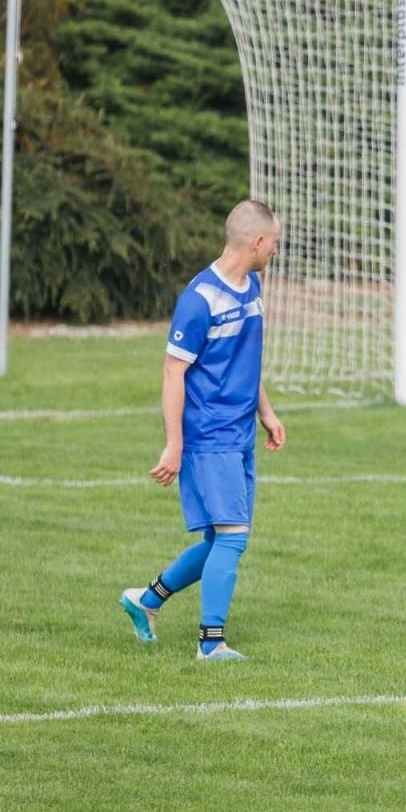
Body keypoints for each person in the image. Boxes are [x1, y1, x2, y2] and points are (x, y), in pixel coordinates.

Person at [119, 200, 284, 661]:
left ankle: (145, 600)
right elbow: (174, 373)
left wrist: (265, 412)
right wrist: (175, 443)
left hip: (239, 434)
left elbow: (244, 361)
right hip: (209, 435)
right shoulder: (199, 300)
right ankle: (210, 644)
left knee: (220, 539)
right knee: (233, 537)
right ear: (255, 242)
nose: (275, 251)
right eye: (273, 243)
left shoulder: (251, 287)